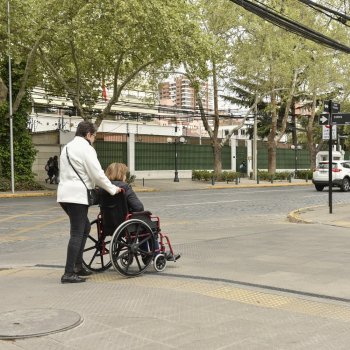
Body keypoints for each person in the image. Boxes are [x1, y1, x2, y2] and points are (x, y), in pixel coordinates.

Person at [57, 121, 121, 284]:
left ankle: (78, 267)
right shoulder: (86, 149)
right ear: (88, 135)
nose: (94, 139)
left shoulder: (67, 148)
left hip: (64, 195)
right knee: (77, 232)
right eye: (94, 136)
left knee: (84, 226)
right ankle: (69, 273)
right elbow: (97, 174)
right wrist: (112, 189)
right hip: (77, 196)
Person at [99, 162, 179, 261]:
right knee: (148, 225)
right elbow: (139, 207)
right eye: (125, 174)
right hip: (125, 224)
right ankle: (155, 254)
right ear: (121, 174)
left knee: (141, 225)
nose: (125, 176)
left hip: (108, 224)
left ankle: (146, 255)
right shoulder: (124, 187)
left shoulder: (103, 188)